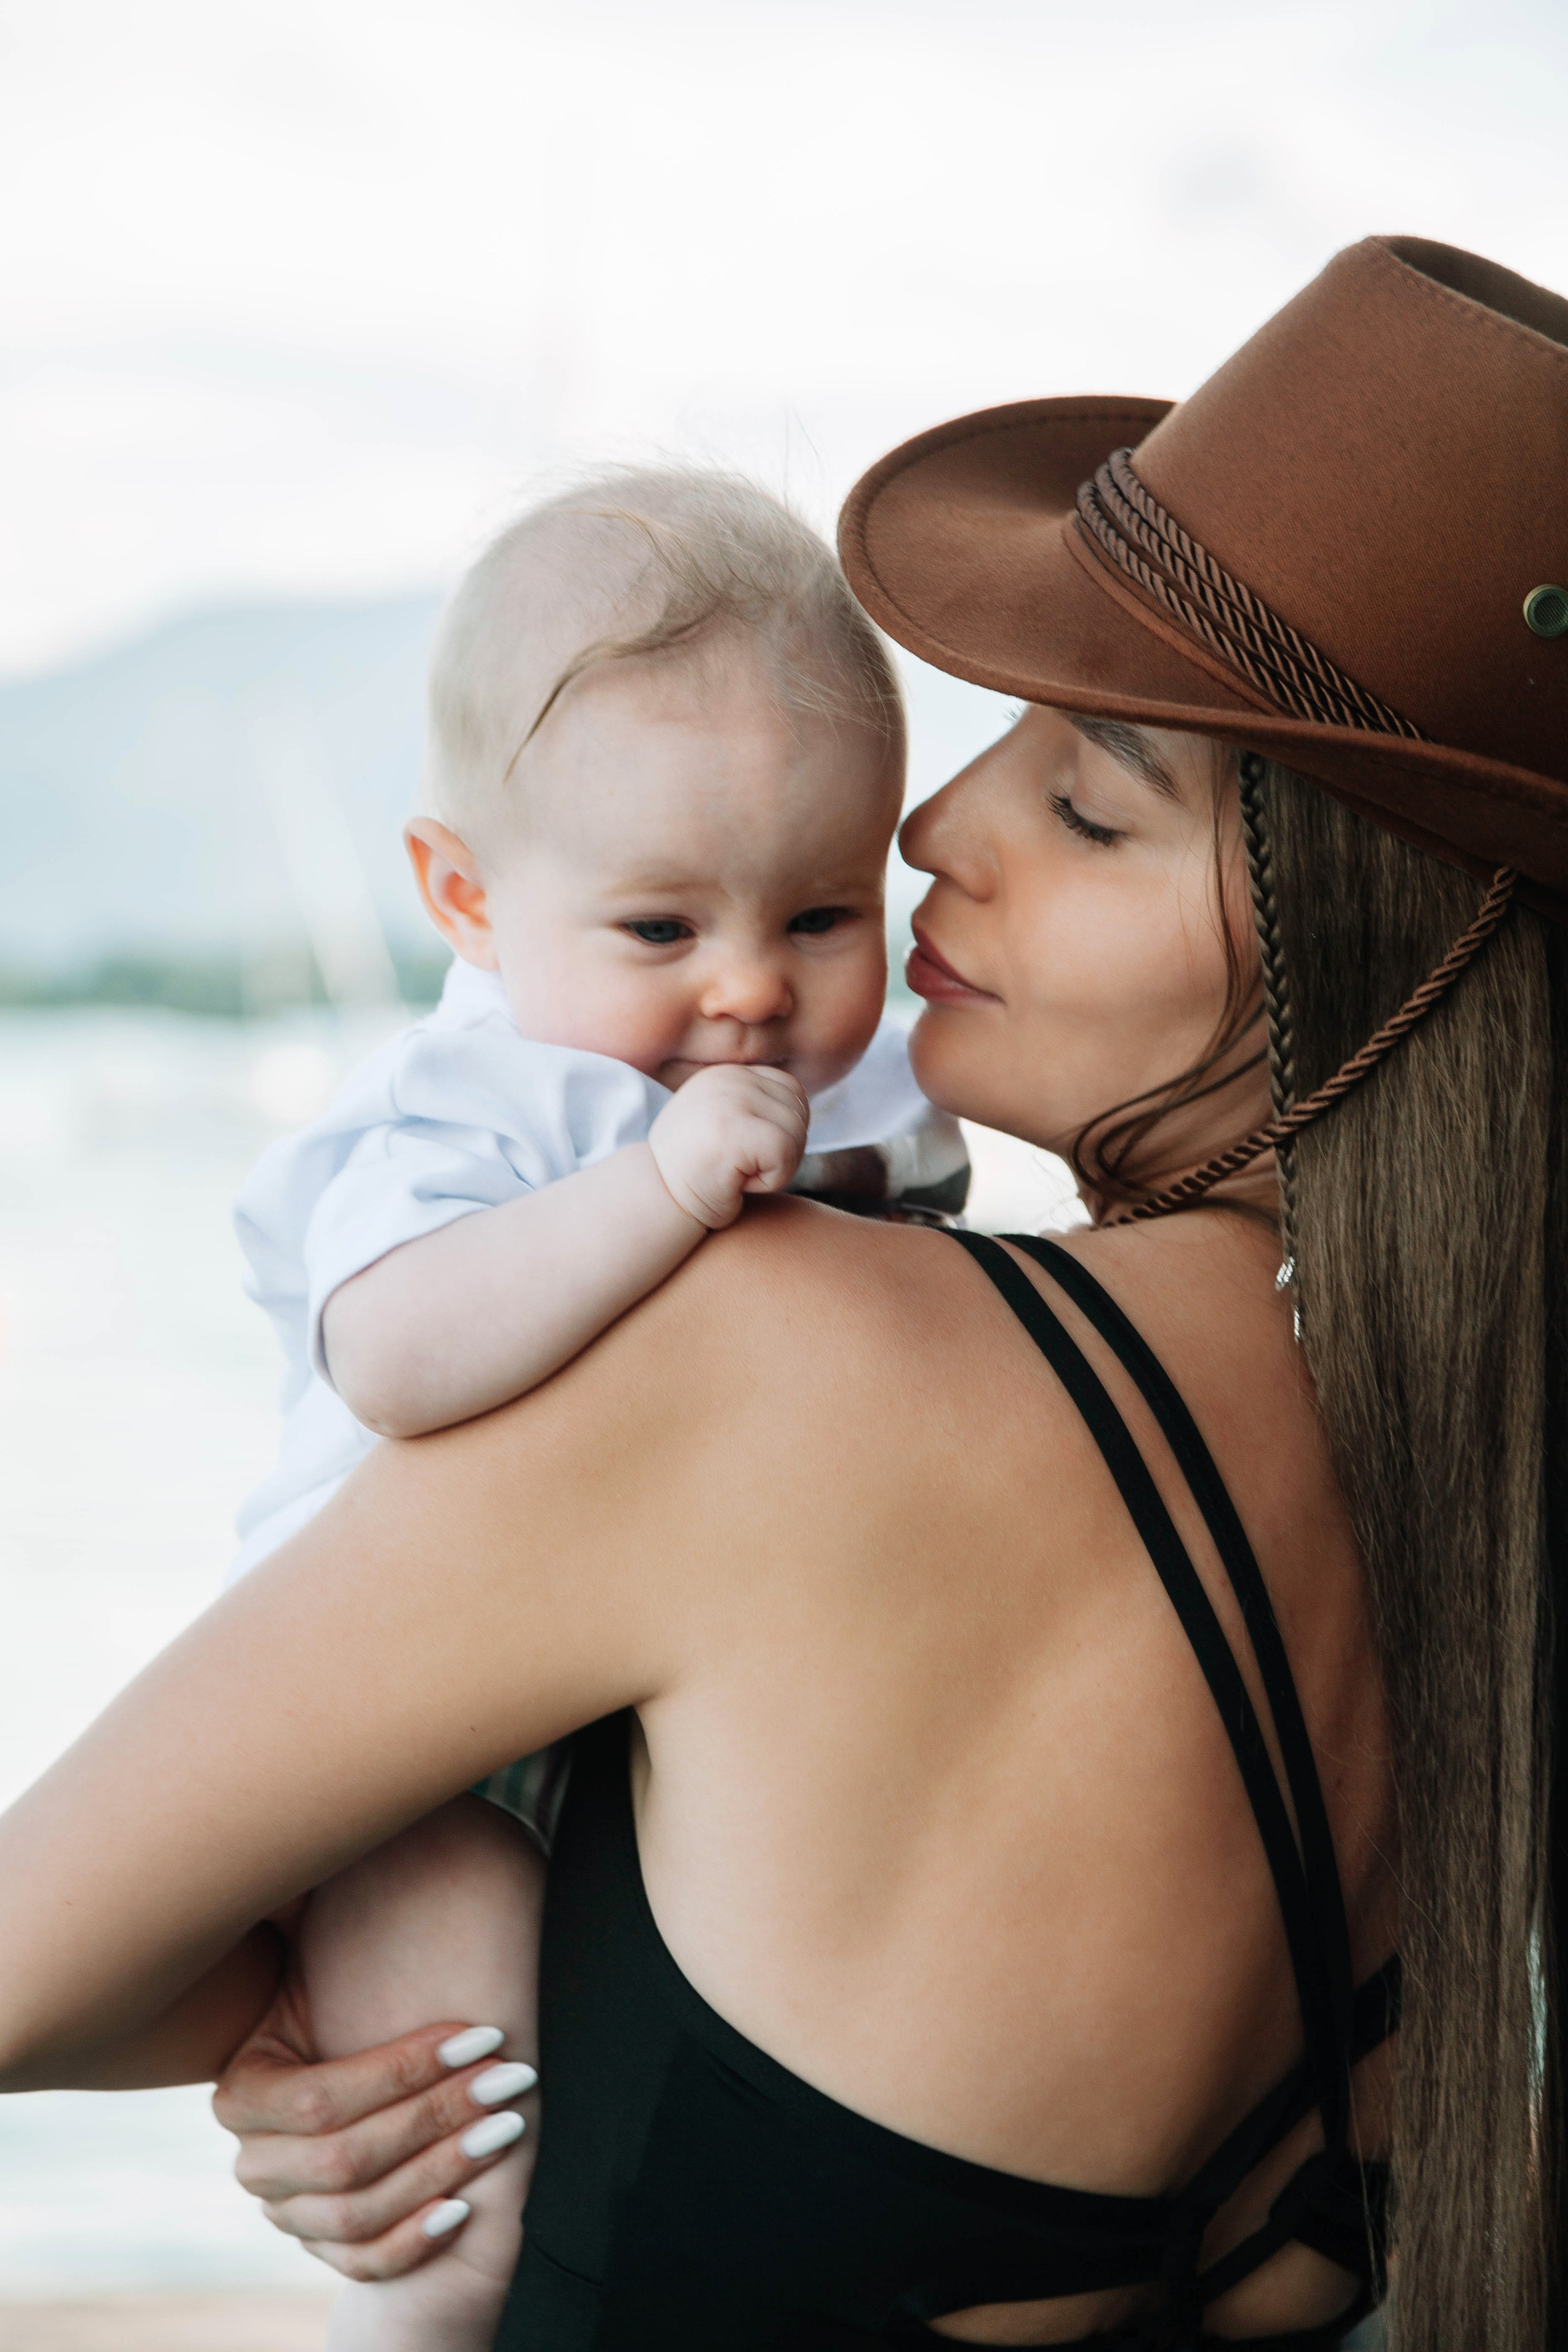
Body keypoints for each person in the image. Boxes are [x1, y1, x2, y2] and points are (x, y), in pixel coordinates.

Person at [1, 232, 1564, 2352]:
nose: (935, 829)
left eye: (1088, 804)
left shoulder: (771, 1348)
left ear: (1370, 949)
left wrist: (309, 2038)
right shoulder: (1480, 1537)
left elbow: (25, 1968)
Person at [226, 466, 966, 2350]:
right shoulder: (478, 1106)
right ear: (466, 899)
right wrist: (654, 1194)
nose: (752, 990)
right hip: (406, 1736)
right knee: (462, 2187)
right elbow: (395, 1352)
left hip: (666, 1701)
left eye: (823, 910)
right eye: (660, 930)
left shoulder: (862, 1073)